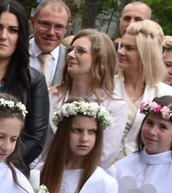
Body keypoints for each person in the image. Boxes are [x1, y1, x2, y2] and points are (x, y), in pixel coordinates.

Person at [0, 0, 49, 170]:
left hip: (9, 172)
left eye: (13, 30)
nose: (3, 36)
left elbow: (36, 139)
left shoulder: (34, 81)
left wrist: (1, 164)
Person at [47, 29, 127, 168]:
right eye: (70, 50)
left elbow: (104, 155)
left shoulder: (114, 106)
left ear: (99, 59)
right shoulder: (52, 95)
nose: (71, 55)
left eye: (80, 51)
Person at [116, 20, 172, 156]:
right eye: (122, 46)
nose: (121, 52)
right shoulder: (106, 86)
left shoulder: (164, 92)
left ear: (146, 54)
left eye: (129, 48)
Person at [29, 0, 71, 87]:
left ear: (67, 29)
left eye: (59, 27)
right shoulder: (14, 52)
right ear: (33, 22)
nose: (51, 32)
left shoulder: (70, 60)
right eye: (45, 24)